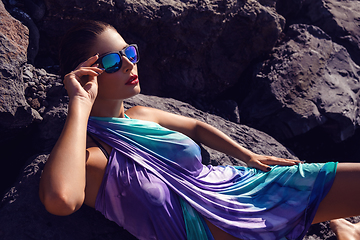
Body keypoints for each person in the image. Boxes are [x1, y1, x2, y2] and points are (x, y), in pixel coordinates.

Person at [38, 20, 360, 240]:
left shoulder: (143, 114)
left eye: (129, 52)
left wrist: (248, 155)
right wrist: (79, 104)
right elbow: (60, 200)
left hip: (242, 189)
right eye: (111, 61)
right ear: (85, 75)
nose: (128, 64)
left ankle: (342, 225)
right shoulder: (95, 159)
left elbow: (196, 125)